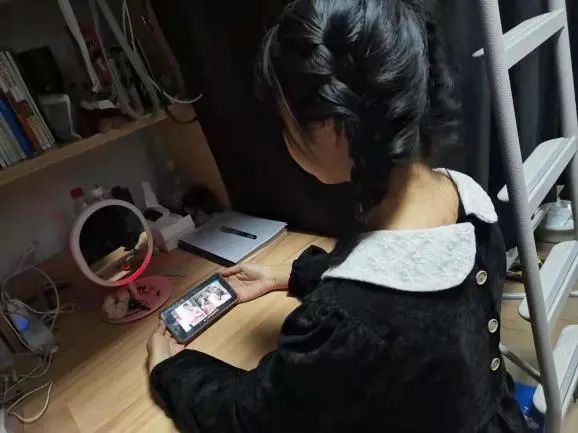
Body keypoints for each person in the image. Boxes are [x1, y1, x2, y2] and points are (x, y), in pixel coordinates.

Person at [146, 1, 530, 432]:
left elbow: (252, 417)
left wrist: (172, 370)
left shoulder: (344, 321)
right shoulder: (467, 202)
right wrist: (287, 276)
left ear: (331, 127)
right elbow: (405, 284)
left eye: (286, 123)